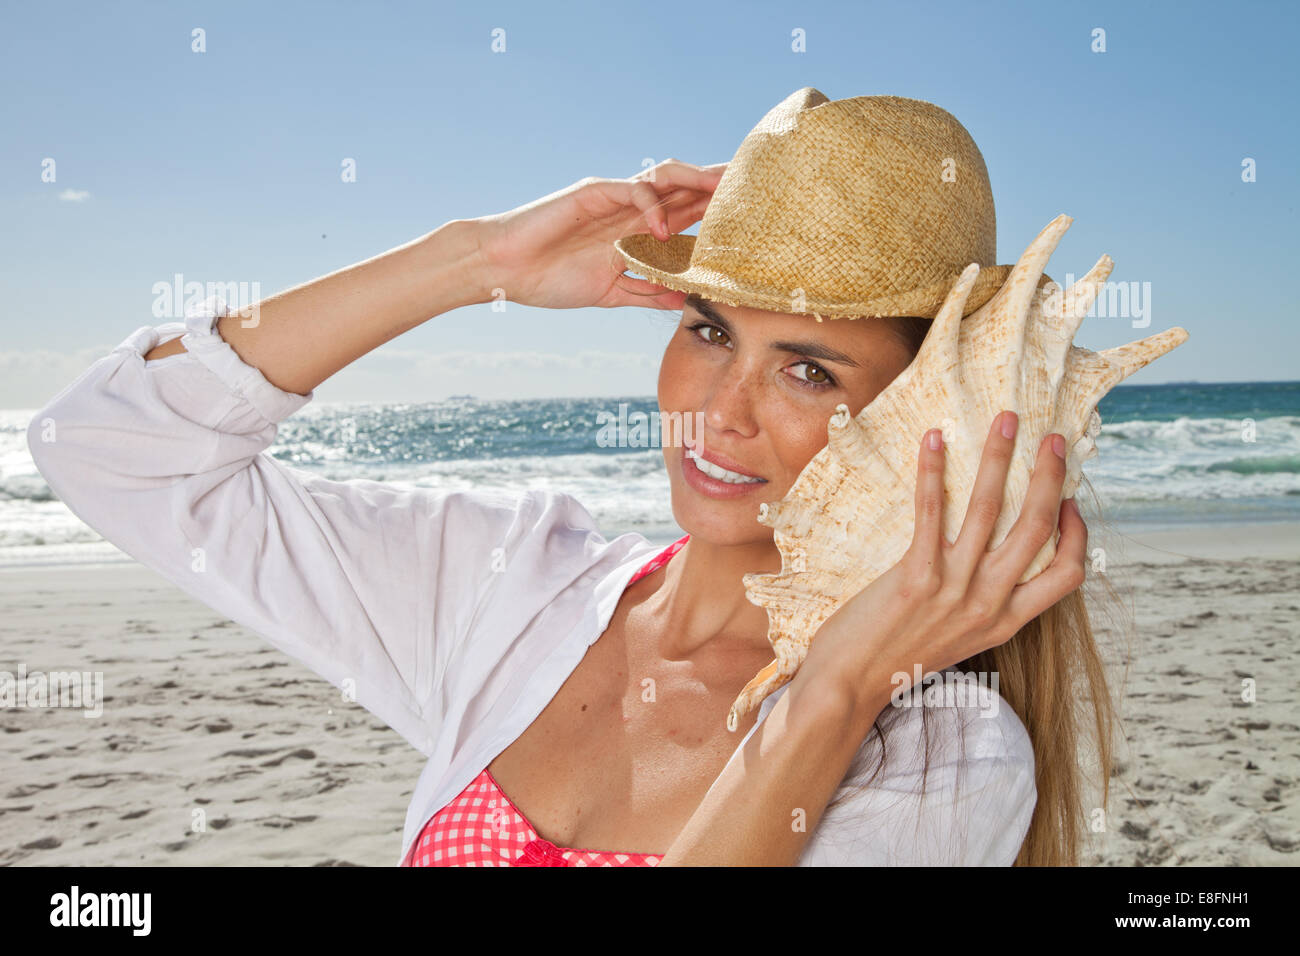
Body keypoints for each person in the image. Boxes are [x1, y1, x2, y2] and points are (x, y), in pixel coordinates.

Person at [26, 88, 1111, 866]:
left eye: (808, 368)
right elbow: (114, 448)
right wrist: (472, 263)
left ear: (921, 412)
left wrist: (830, 689)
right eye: (707, 328)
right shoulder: (510, 585)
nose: (718, 408)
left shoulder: (937, 752)